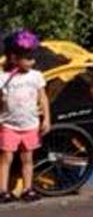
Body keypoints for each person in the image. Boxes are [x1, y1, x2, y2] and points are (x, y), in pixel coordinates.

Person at [0, 30, 50, 202]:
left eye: (32, 58)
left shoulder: (36, 76)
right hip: (9, 124)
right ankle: (3, 190)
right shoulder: (4, 77)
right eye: (28, 58)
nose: (32, 61)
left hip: (30, 124)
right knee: (6, 157)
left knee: (27, 158)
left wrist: (46, 118)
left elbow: (42, 98)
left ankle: (28, 189)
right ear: (14, 58)